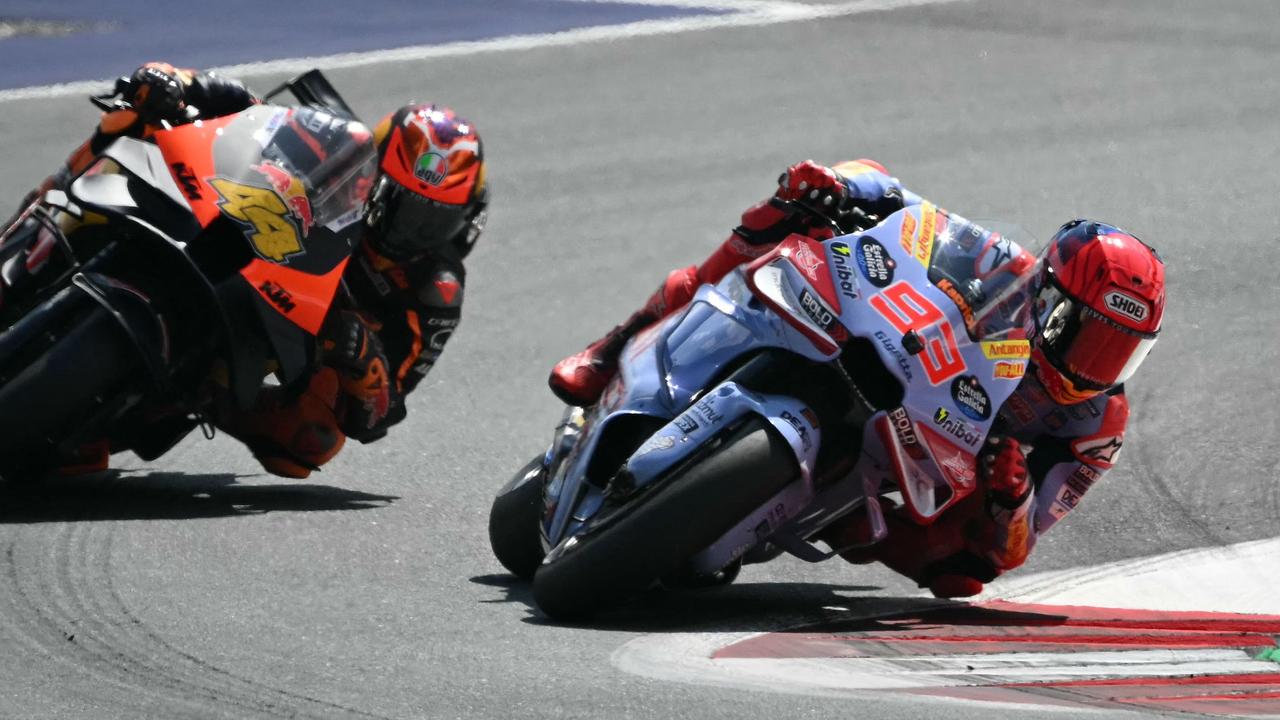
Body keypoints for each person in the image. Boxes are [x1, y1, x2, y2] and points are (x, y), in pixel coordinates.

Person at [547, 159, 1165, 598]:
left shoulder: (1095, 421)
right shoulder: (1000, 266)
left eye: (1119, 351)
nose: (1095, 367)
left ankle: (829, 515)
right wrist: (837, 185)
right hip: (895, 358)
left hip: (939, 454)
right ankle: (613, 347)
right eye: (1088, 336)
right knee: (786, 217)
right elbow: (901, 200)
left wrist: (1013, 498)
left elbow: (1018, 546)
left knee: (961, 573)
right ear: (1049, 297)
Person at [3, 63, 488, 479]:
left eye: (433, 220)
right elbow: (248, 108)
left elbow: (383, 412)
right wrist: (180, 84)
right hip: (232, 234)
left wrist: (363, 356)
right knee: (132, 117)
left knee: (314, 440)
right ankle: (31, 229)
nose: (412, 229)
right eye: (404, 206)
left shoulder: (434, 292)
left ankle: (132, 408)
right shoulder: (338, 157)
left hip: (275, 345)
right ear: (376, 175)